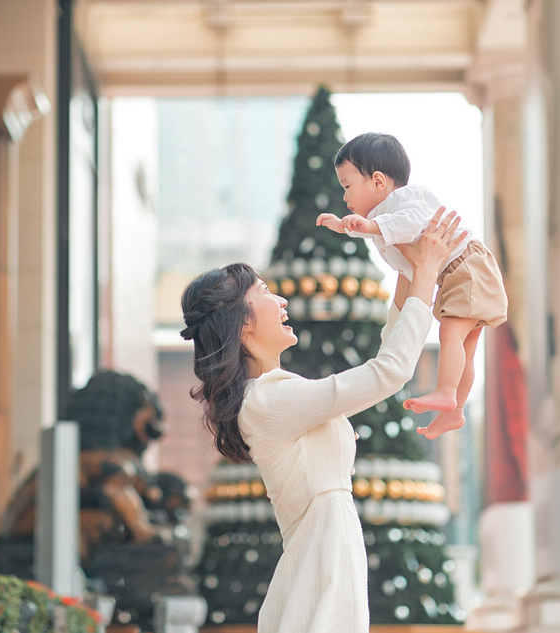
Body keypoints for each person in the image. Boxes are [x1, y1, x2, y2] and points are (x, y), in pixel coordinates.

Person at [180, 208, 465, 633]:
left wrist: (407, 271)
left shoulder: (272, 393)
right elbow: (388, 372)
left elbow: (384, 356)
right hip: (323, 559)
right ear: (242, 324)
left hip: (326, 553)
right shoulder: (268, 400)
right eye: (265, 293)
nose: (281, 301)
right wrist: (424, 275)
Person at [316, 132, 508, 439]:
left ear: (378, 182)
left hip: (467, 267)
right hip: (458, 274)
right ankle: (454, 412)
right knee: (465, 348)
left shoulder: (405, 200)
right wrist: (344, 225)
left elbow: (407, 223)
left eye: (347, 187)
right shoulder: (383, 216)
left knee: (452, 334)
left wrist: (369, 226)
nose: (345, 198)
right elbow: (382, 236)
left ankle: (446, 392)